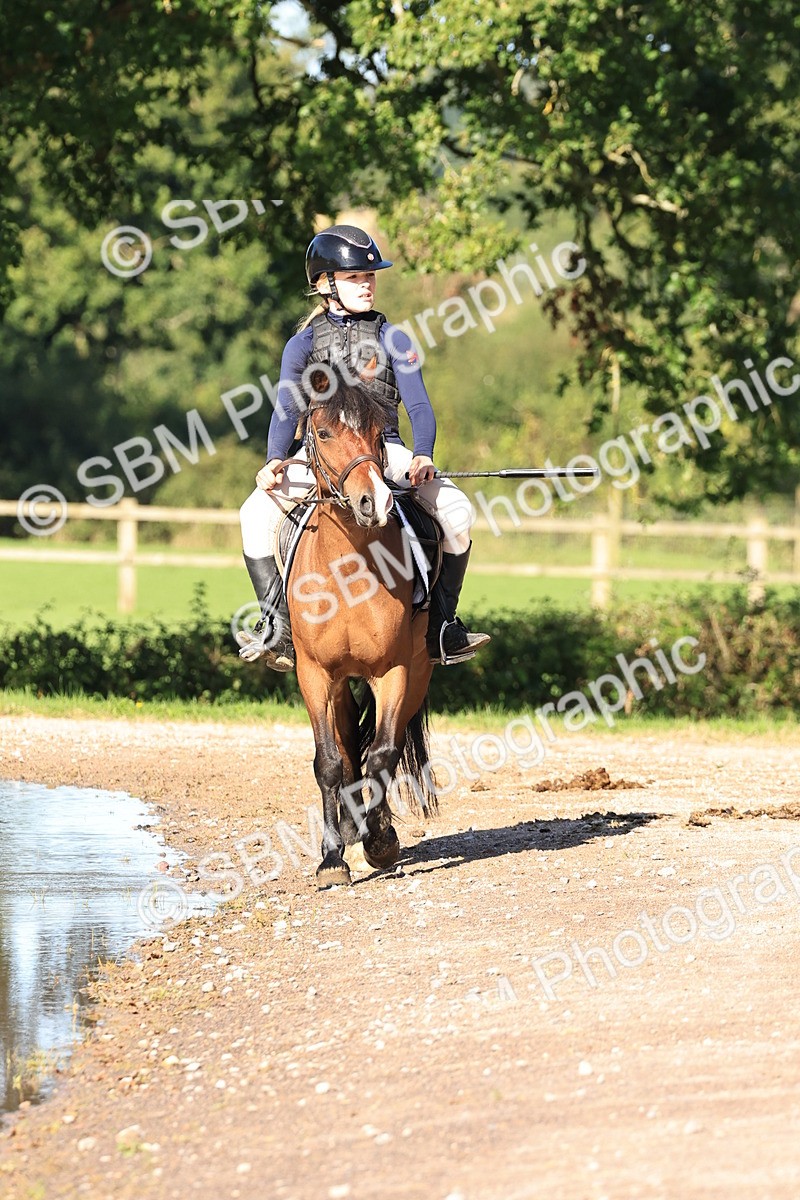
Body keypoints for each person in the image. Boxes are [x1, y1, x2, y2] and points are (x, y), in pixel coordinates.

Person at [236, 223, 491, 672]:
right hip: (322, 455)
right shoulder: (302, 345)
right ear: (325, 284)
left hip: (385, 450)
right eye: (357, 278)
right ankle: (275, 626)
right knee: (253, 514)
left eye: (371, 278)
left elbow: (419, 406)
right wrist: (275, 460)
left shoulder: (396, 339)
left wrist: (423, 454)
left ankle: (442, 626)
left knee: (457, 512)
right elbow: (285, 410)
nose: (368, 285)